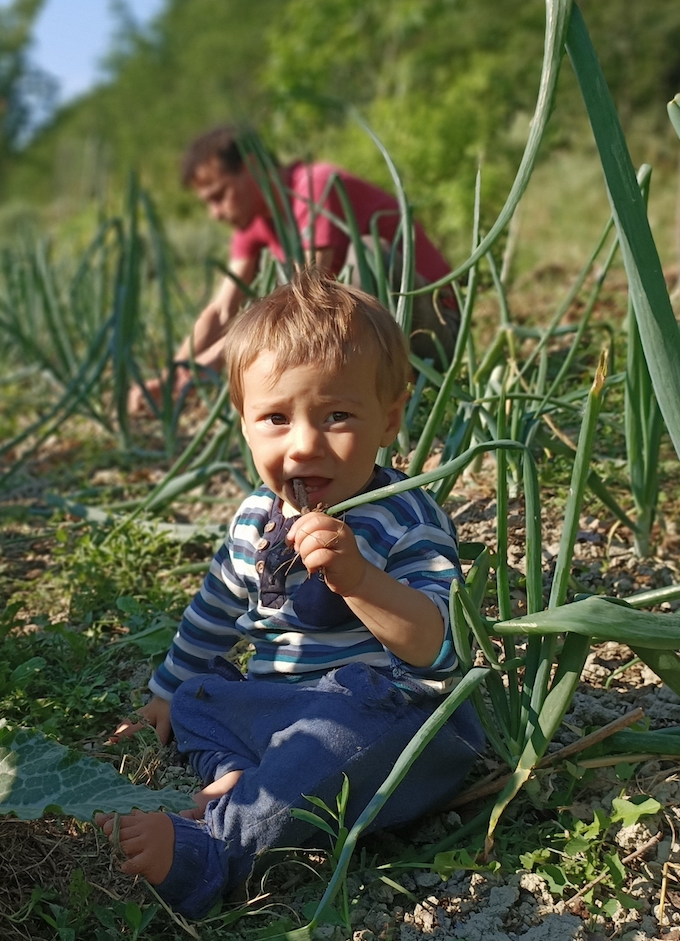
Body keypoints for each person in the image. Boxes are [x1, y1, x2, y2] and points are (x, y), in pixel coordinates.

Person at [99, 270, 482, 919]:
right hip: (286, 706)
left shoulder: (403, 518)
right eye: (276, 417)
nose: (304, 443)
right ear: (244, 423)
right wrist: (166, 690)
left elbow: (437, 646)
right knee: (199, 691)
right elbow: (216, 606)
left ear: (389, 416)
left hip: (388, 722)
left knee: (331, 735)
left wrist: (359, 579)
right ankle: (240, 770)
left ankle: (215, 851)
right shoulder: (255, 517)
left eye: (337, 415)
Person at [129, 125, 460, 415]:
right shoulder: (254, 221)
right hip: (375, 336)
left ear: (254, 168)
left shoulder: (316, 186)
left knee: (362, 261)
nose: (215, 213)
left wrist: (207, 366)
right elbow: (220, 309)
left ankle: (397, 392)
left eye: (220, 196)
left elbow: (302, 296)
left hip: (436, 330)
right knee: (273, 293)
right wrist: (175, 376)